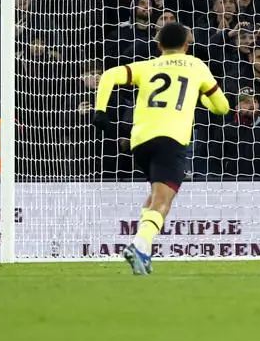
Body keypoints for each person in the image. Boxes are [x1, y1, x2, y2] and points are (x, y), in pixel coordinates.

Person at [91, 21, 232, 275]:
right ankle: (138, 245)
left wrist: (100, 111)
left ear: (158, 46)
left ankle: (143, 251)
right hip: (171, 140)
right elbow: (222, 108)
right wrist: (201, 97)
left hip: (140, 142)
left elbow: (110, 75)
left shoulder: (148, 66)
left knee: (156, 196)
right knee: (164, 200)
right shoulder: (197, 66)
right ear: (187, 45)